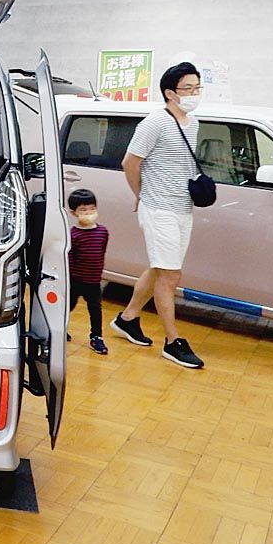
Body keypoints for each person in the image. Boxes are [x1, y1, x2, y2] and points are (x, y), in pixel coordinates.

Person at [111, 62, 205, 368]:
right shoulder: (154, 123)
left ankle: (128, 318)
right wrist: (140, 194)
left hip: (182, 208)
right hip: (158, 208)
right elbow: (130, 162)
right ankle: (172, 341)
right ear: (169, 93)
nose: (194, 93)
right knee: (170, 275)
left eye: (197, 87)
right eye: (187, 88)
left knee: (161, 267)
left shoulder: (193, 123)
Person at [67, 188, 109, 355]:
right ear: (74, 213)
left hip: (94, 281)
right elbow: (70, 259)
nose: (88, 212)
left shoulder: (103, 231)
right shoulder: (73, 234)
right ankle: (58, 331)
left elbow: (101, 252)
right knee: (67, 307)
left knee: (95, 309)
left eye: (92, 208)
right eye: (83, 210)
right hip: (75, 280)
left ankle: (97, 337)